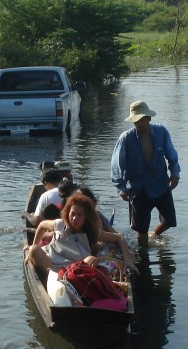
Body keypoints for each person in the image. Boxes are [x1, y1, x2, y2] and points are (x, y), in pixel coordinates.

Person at [110, 100, 180, 247]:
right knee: (141, 229)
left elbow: (171, 155)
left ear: (148, 118)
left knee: (170, 221)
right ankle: (143, 256)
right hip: (139, 188)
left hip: (160, 184)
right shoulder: (126, 138)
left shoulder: (161, 132)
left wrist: (174, 174)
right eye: (136, 121)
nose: (139, 124)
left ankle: (154, 234)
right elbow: (117, 164)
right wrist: (121, 188)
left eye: (142, 120)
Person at [27, 192, 131, 279]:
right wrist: (34, 243)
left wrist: (127, 260)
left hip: (74, 270)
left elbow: (119, 237)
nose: (74, 218)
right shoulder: (60, 224)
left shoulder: (91, 232)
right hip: (51, 265)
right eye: (72, 214)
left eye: (79, 215)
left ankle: (63, 280)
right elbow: (41, 225)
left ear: (86, 217)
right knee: (33, 249)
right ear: (68, 213)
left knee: (91, 259)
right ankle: (56, 278)